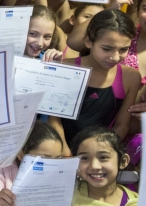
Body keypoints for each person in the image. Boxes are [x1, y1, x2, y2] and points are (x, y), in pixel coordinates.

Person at [48, 10, 141, 155]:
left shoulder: (130, 77)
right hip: (61, 150)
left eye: (123, 49)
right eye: (106, 49)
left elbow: (122, 126)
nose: (115, 57)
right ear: (88, 41)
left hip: (101, 154)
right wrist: (65, 154)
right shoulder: (65, 68)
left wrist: (97, 155)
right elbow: (54, 121)